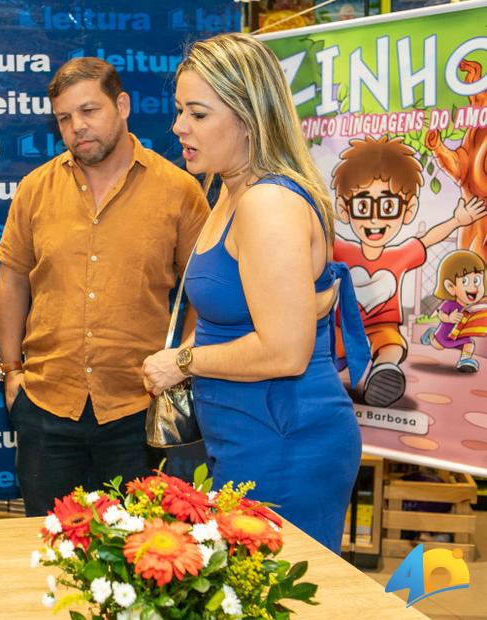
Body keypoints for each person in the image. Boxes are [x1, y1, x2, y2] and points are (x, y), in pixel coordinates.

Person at [142, 32, 370, 552]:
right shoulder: (228, 189)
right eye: (180, 110)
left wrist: (183, 361)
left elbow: (284, 352)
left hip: (285, 441)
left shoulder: (267, 202)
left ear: (248, 118)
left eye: (198, 113)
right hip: (244, 434)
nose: (179, 126)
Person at [0, 57, 210, 517]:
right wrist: (11, 372)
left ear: (123, 104)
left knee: (138, 557)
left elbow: (204, 288)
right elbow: (12, 277)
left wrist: (185, 363)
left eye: (89, 111)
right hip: (46, 404)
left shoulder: (178, 190)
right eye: (64, 118)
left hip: (138, 406)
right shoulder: (35, 189)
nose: (77, 127)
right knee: (44, 547)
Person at [331, 136, 486, 405]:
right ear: (345, 209)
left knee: (392, 346)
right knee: (325, 352)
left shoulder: (400, 254)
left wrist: (457, 221)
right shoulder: (340, 250)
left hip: (383, 327)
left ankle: (383, 373)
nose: (375, 219)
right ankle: (321, 375)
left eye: (388, 207)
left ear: (407, 210)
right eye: (363, 206)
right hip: (342, 327)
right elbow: (315, 238)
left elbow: (427, 240)